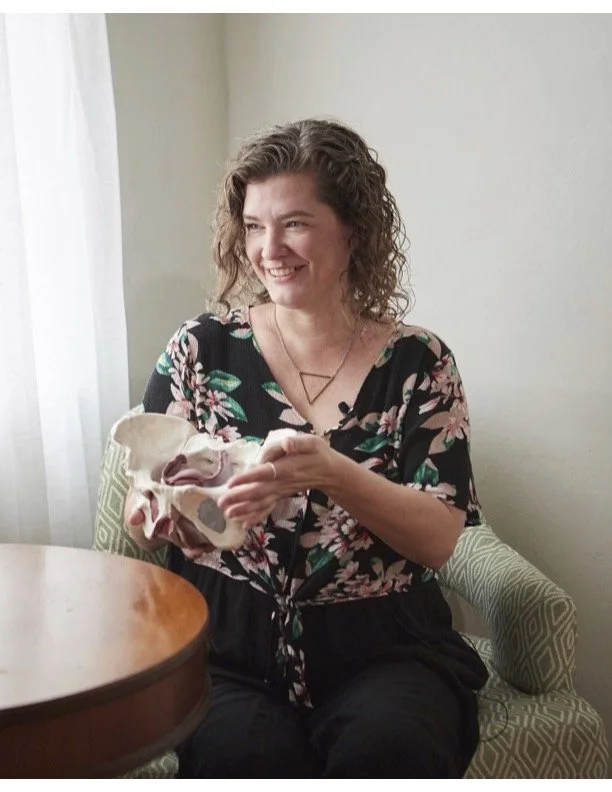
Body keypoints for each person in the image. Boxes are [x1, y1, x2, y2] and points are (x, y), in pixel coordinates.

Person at [124, 118, 488, 778]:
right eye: (254, 226)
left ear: (354, 230)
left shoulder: (420, 363)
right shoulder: (200, 350)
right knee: (241, 758)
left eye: (294, 223)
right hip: (227, 650)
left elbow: (438, 539)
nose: (269, 249)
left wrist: (334, 474)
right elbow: (141, 507)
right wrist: (170, 516)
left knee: (391, 750)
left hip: (385, 649)